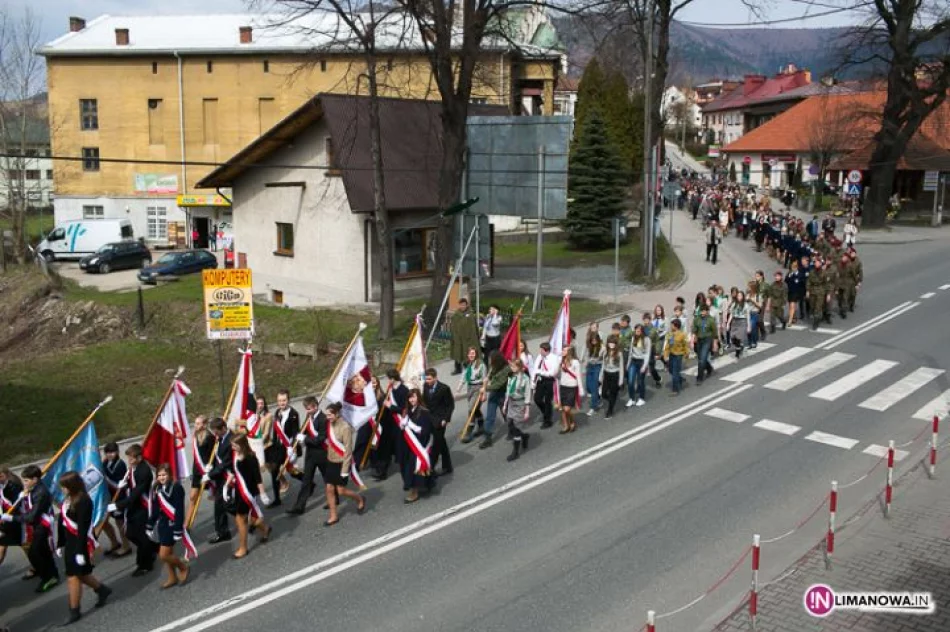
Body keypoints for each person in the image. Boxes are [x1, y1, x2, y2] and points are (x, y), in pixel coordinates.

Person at [57, 471, 111, 625]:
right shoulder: (68, 499)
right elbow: (62, 522)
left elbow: (82, 528)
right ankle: (102, 590)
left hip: (79, 543)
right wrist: (60, 543)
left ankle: (74, 611)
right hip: (69, 542)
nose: (62, 489)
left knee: (73, 577)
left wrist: (81, 551)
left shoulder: (84, 501)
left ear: (71, 486)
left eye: (64, 486)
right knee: (80, 574)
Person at [4, 465, 58, 591]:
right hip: (37, 525)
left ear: (35, 479)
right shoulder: (33, 489)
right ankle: (52, 574)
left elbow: (31, 517)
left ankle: (47, 577)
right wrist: (21, 498)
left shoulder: (41, 493)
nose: (24, 483)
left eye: (27, 480)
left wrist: (12, 518)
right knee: (43, 551)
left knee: (35, 553)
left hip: (42, 526)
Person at [109, 444, 158, 576]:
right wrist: (123, 485)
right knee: (130, 534)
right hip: (133, 506)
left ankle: (145, 565)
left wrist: (117, 505)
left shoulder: (144, 471)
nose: (129, 460)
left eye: (131, 458)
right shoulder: (133, 468)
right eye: (128, 457)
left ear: (139, 457)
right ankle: (152, 548)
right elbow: (131, 484)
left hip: (142, 506)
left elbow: (135, 494)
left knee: (140, 537)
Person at [226, 434, 272, 558]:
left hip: (248, 492)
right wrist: (226, 485)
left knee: (241, 519)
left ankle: (243, 548)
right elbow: (233, 471)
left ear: (242, 445)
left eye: (235, 445)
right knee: (250, 519)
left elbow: (258, 477)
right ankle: (265, 528)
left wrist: (262, 493)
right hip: (239, 490)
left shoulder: (251, 457)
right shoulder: (235, 455)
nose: (232, 447)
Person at [146, 464, 190, 589]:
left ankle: (183, 567)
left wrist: (178, 529)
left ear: (170, 475)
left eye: (164, 475)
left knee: (164, 554)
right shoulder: (157, 488)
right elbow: (155, 508)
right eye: (159, 475)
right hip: (162, 524)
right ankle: (172, 577)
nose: (161, 477)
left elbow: (179, 510)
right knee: (168, 552)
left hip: (172, 524)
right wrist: (150, 524)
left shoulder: (176, 488)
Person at [322, 403, 367, 525]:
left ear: (337, 414)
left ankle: (359, 498)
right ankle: (333, 515)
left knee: (341, 491)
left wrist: (344, 470)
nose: (328, 417)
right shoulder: (329, 425)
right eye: (327, 415)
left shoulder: (345, 427)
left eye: (330, 415)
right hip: (331, 461)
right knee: (329, 488)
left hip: (341, 464)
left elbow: (348, 451)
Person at [286, 396, 328, 516]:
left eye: (309, 409)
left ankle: (334, 498)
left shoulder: (323, 419)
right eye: (306, 409)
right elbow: (303, 432)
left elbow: (320, 439)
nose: (307, 411)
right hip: (310, 455)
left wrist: (305, 438)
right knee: (306, 480)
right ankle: (299, 506)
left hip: (321, 454)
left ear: (315, 406)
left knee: (327, 479)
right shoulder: (309, 417)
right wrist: (296, 442)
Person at [202, 418, 233, 544]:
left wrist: (210, 474)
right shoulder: (220, 439)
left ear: (223, 429)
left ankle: (253, 519)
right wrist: (211, 466)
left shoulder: (231, 440)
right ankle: (223, 532)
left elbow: (226, 462)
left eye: (217, 432)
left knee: (230, 506)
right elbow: (218, 457)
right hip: (221, 478)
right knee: (220, 506)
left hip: (230, 478)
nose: (215, 434)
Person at [401, 389, 435, 503]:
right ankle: (428, 484)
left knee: (413, 467)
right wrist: (403, 423)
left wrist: (410, 425)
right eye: (410, 397)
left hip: (421, 443)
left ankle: (414, 491)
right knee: (416, 466)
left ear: (418, 397)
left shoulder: (424, 412)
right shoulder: (409, 411)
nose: (411, 400)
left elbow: (425, 430)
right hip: (412, 443)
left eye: (413, 397)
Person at [374, 369, 408, 479]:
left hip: (399, 424)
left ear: (393, 379)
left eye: (389, 378)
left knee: (401, 448)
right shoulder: (390, 389)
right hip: (389, 423)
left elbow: (404, 409)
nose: (388, 380)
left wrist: (390, 406)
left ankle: (406, 469)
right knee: (385, 447)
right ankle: (382, 471)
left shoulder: (404, 390)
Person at [100, 442, 131, 558]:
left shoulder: (120, 465)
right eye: (107, 452)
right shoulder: (106, 462)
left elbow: (118, 485)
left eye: (112, 452)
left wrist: (105, 478)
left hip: (119, 497)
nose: (110, 455)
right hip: (108, 497)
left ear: (117, 452)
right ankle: (114, 542)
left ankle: (126, 545)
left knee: (120, 522)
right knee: (103, 521)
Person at [423, 368, 455, 476]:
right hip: (430, 419)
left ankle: (431, 466)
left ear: (436, 378)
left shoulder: (444, 388)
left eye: (429, 379)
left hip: (440, 420)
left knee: (437, 443)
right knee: (441, 442)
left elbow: (450, 405)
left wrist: (446, 419)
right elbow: (425, 401)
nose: (427, 381)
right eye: (426, 379)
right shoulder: (425, 386)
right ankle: (447, 466)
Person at [503, 358, 533, 462]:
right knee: (510, 424)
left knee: (515, 428)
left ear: (519, 367)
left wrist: (527, 410)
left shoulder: (525, 379)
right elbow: (508, 390)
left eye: (514, 366)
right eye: (511, 366)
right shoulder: (511, 376)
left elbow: (528, 394)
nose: (511, 368)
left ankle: (515, 452)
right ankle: (524, 436)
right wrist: (505, 404)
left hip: (520, 404)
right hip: (511, 402)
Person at [254, 397, 280, 507]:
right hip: (257, 448)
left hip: (267, 447)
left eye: (262, 403)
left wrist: (256, 444)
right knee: (260, 471)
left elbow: (266, 433)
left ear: (264, 405)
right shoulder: (253, 417)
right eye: (258, 403)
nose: (260, 405)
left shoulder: (268, 416)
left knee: (274, 472)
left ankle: (277, 499)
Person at [458, 347, 486, 444]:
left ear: (476, 354)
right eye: (470, 353)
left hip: (478, 387)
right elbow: (463, 377)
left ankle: (469, 431)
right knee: (476, 408)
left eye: (473, 353)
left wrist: (484, 392)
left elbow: (485, 379)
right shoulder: (466, 364)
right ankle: (481, 426)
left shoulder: (481, 365)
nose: (471, 355)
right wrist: (459, 388)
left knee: (471, 409)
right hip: (469, 388)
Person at [272, 389, 301, 484]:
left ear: (288, 400)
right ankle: (280, 490)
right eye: (280, 401)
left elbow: (295, 432)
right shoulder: (277, 412)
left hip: (289, 446)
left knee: (291, 470)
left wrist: (293, 447)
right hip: (279, 446)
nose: (281, 403)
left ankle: (307, 482)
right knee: (275, 468)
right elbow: (276, 430)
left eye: (284, 400)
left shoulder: (293, 414)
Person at [0, 465, 24, 567]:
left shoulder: (14, 486)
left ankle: (37, 566)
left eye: (0, 476)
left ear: (6, 475)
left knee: (25, 545)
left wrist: (7, 517)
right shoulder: (3, 485)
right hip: (6, 520)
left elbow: (16, 505)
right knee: (2, 544)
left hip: (15, 520)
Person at [450, 298, 480, 375]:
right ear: (459, 305)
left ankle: (468, 368)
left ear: (466, 305)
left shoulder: (470, 314)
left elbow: (474, 326)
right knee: (458, 352)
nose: (462, 306)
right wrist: (455, 336)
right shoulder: (456, 314)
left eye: (464, 305)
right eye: (461, 305)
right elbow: (453, 326)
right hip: (458, 338)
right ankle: (457, 369)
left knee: (468, 352)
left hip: (469, 338)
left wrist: (475, 336)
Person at [557, 346, 584, 434]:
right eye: (562, 350)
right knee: (563, 408)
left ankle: (572, 422)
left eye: (564, 350)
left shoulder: (575, 362)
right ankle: (566, 426)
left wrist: (580, 389)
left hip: (572, 386)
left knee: (567, 409)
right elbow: (558, 375)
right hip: (563, 386)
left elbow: (578, 376)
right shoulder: (561, 360)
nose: (562, 351)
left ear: (569, 352)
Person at [691, 303, 718, 385]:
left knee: (702, 359)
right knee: (701, 358)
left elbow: (715, 333)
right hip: (699, 340)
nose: (702, 313)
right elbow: (694, 331)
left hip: (707, 340)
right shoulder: (697, 319)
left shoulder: (711, 320)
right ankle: (709, 368)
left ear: (707, 311)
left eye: (703, 311)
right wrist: (692, 341)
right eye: (701, 311)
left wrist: (715, 344)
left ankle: (700, 377)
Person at [581, 322, 603, 417]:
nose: (593, 342)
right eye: (592, 340)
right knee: (588, 387)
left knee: (594, 387)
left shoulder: (602, 348)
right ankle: (597, 398)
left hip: (597, 367)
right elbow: (586, 353)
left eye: (595, 340)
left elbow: (604, 360)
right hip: (590, 367)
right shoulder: (590, 345)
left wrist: (602, 374)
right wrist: (584, 364)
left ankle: (593, 407)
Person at [600, 336, 624, 419]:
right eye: (610, 342)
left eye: (613, 343)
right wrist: (600, 376)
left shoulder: (619, 353)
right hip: (606, 374)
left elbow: (621, 367)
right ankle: (612, 400)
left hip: (615, 375)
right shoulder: (605, 352)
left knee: (613, 394)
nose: (611, 344)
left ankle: (610, 411)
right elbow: (603, 364)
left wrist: (621, 380)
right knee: (603, 394)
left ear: (616, 344)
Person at [533, 343, 557, 428]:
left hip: (549, 381)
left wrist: (540, 372)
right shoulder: (540, 357)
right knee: (537, 399)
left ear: (545, 350)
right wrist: (533, 381)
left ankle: (547, 420)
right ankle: (546, 412)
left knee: (547, 401)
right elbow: (535, 368)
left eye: (541, 350)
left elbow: (552, 373)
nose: (539, 351)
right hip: (540, 380)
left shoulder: (554, 358)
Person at [627, 324, 651, 406]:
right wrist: (628, 364)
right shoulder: (633, 338)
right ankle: (632, 399)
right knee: (630, 381)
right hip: (633, 361)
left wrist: (644, 366)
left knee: (640, 381)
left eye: (639, 330)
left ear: (642, 331)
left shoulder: (646, 339)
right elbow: (631, 351)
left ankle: (641, 398)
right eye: (636, 330)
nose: (637, 332)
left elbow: (647, 354)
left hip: (642, 362)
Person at [664, 319, 689, 396]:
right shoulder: (669, 334)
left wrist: (686, 354)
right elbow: (667, 345)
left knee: (675, 372)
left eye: (672, 325)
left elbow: (685, 345)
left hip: (678, 355)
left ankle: (675, 390)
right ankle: (680, 379)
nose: (671, 326)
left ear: (676, 326)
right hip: (671, 354)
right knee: (671, 370)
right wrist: (665, 355)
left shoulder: (682, 334)